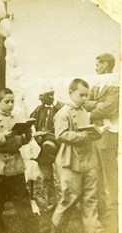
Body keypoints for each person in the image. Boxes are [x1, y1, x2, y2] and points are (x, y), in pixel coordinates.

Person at [0, 88, 39, 233]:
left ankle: (32, 230)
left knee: (23, 201)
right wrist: (4, 136)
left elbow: (23, 140)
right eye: (6, 102)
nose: (10, 104)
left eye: (12, 101)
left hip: (15, 165)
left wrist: (27, 135)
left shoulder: (17, 117)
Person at [51, 79, 103, 233]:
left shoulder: (84, 112)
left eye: (87, 95)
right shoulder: (63, 113)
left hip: (88, 160)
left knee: (91, 199)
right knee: (69, 199)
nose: (85, 99)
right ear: (71, 93)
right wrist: (84, 136)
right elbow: (60, 135)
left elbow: (87, 132)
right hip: (70, 160)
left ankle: (94, 230)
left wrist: (94, 134)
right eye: (82, 95)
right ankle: (56, 230)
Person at [83, 53, 119, 233]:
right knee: (96, 171)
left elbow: (110, 107)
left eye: (98, 64)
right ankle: (102, 212)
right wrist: (97, 104)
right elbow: (85, 102)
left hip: (108, 132)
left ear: (106, 65)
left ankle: (114, 213)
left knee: (109, 173)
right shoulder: (96, 83)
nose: (95, 67)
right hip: (95, 132)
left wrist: (94, 106)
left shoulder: (115, 83)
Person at [30, 90, 62, 210]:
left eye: (43, 98)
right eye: (41, 99)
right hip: (43, 148)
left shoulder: (60, 108)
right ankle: (52, 203)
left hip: (58, 146)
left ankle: (67, 203)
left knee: (63, 177)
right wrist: (36, 134)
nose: (41, 101)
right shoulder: (38, 110)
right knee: (46, 177)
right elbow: (30, 123)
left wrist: (46, 133)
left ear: (50, 97)